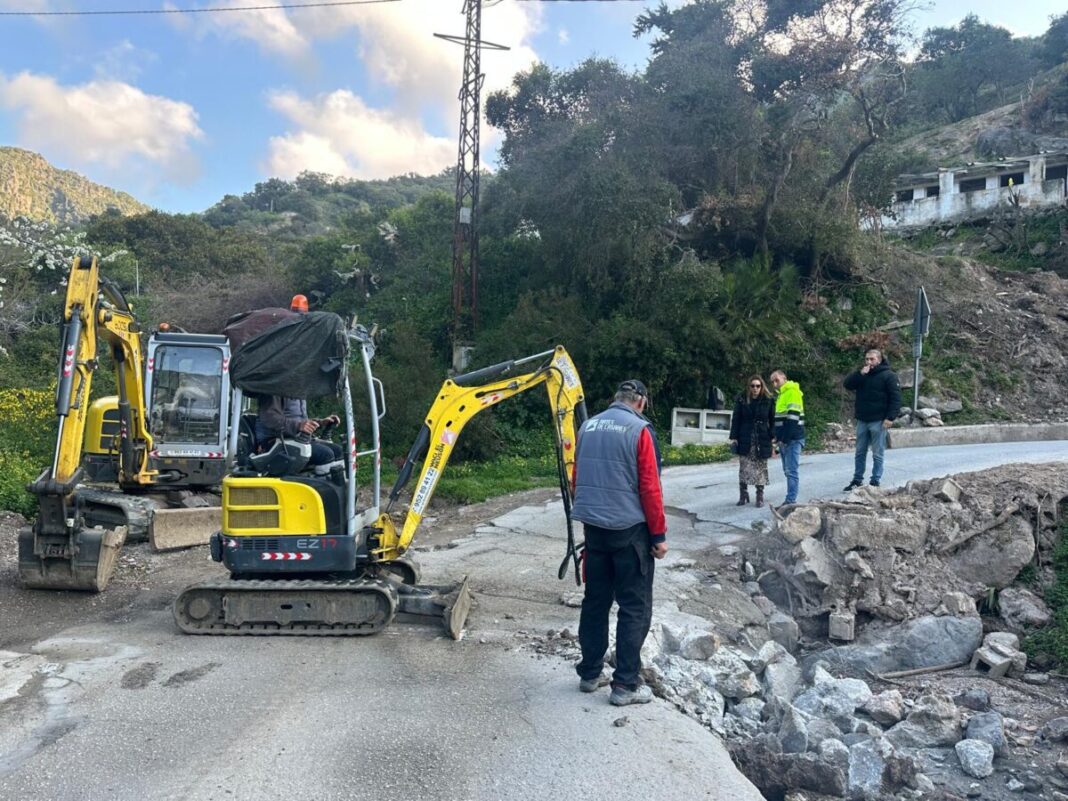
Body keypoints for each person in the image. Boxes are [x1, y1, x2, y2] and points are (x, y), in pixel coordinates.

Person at [570, 379, 668, 707]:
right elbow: (650, 488)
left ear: (616, 399)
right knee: (634, 606)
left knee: (595, 602)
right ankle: (625, 685)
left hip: (594, 530)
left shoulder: (587, 427)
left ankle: (589, 674)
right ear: (639, 401)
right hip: (629, 532)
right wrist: (658, 536)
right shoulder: (639, 430)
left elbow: (576, 478)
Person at [842, 348, 901, 491]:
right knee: (860, 452)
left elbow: (896, 398)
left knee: (877, 453)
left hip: (879, 420)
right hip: (863, 419)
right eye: (867, 359)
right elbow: (847, 385)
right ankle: (857, 480)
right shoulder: (863, 375)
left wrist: (890, 417)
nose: (869, 362)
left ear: (879, 360)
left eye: (872, 359)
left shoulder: (889, 376)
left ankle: (875, 481)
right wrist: (860, 374)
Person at [728, 375, 775, 507]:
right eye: (752, 386)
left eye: (758, 386)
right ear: (749, 387)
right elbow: (736, 419)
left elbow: (772, 420)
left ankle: (759, 496)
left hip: (761, 437)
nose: (755, 388)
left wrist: (772, 436)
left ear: (762, 387)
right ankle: (743, 494)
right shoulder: (742, 400)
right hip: (745, 436)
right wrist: (734, 437)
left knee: (760, 467)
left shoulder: (768, 400)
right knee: (744, 467)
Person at [254, 396, 342, 467]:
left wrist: (321, 422)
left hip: (295, 439)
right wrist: (298, 426)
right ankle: (323, 488)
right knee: (325, 454)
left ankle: (341, 486)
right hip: (273, 442)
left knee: (339, 451)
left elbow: (301, 421)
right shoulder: (275, 387)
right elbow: (270, 418)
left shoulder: (298, 391)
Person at [769, 369, 805, 506]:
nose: (774, 383)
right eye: (772, 381)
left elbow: (792, 419)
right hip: (785, 439)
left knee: (791, 471)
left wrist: (784, 439)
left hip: (793, 438)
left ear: (784, 378)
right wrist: (777, 439)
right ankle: (790, 500)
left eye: (777, 380)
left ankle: (790, 501)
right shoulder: (781, 395)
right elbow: (779, 421)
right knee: (788, 471)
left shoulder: (792, 392)